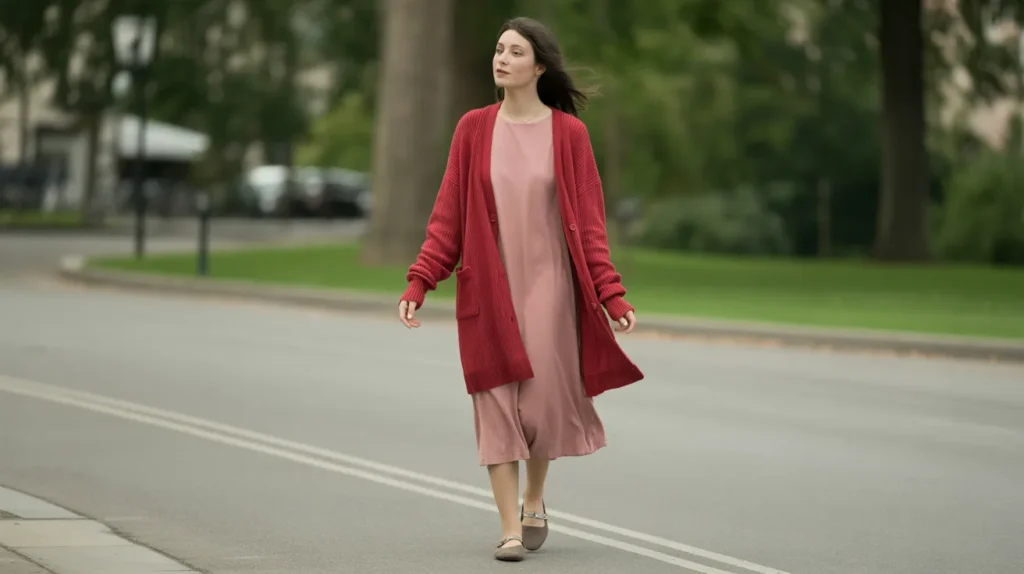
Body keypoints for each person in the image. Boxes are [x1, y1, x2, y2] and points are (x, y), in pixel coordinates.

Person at [397, 16, 644, 562]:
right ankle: (510, 527)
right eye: (498, 49)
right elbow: (448, 216)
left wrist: (610, 293)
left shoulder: (569, 135)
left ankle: (535, 499)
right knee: (494, 402)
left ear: (539, 66)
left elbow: (591, 223)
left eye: (514, 51)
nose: (501, 58)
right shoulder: (473, 128)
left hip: (551, 290)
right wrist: (421, 278)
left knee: (538, 408)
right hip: (488, 287)